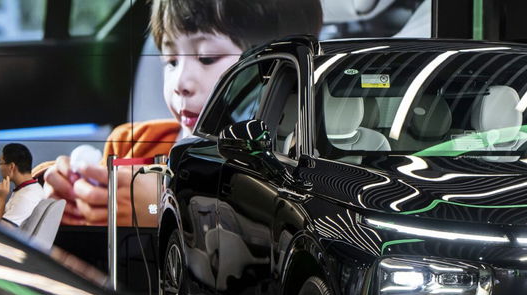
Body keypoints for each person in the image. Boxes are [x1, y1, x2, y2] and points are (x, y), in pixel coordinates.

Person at [41, 0, 322, 227]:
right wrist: (64, 192)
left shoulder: (292, 165)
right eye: (171, 61)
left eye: (207, 58)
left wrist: (163, 205)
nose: (180, 84)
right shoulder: (133, 142)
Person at [0, 143, 44, 226]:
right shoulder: (31, 188)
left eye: (0, 163)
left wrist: (0, 199)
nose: (0, 167)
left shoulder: (25, 196)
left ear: (11, 166)